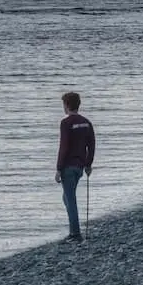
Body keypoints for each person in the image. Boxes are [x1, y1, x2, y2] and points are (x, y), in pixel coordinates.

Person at [55, 91, 95, 242]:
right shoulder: (86, 122)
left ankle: (75, 234)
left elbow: (64, 146)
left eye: (63, 105)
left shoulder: (66, 123)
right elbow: (91, 144)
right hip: (79, 167)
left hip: (67, 167)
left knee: (70, 199)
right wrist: (88, 164)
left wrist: (59, 168)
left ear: (66, 105)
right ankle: (74, 230)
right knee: (67, 197)